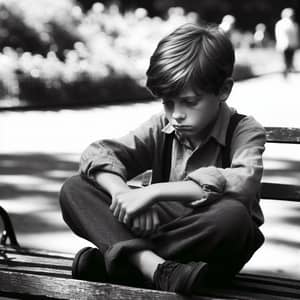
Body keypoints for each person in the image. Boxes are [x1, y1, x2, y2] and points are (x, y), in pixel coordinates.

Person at [59, 23, 266, 295]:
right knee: (75, 188)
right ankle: (154, 268)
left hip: (209, 246)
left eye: (190, 102)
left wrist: (154, 193)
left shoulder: (245, 130)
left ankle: (124, 261)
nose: (176, 114)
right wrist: (123, 193)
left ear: (224, 90)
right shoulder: (162, 127)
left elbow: (242, 183)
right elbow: (99, 154)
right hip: (162, 237)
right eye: (168, 103)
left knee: (234, 217)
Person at [275, 8, 299, 76]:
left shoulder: (293, 24)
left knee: (288, 61)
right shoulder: (287, 24)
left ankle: (287, 74)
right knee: (286, 61)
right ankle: (286, 74)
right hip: (285, 45)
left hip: (289, 45)